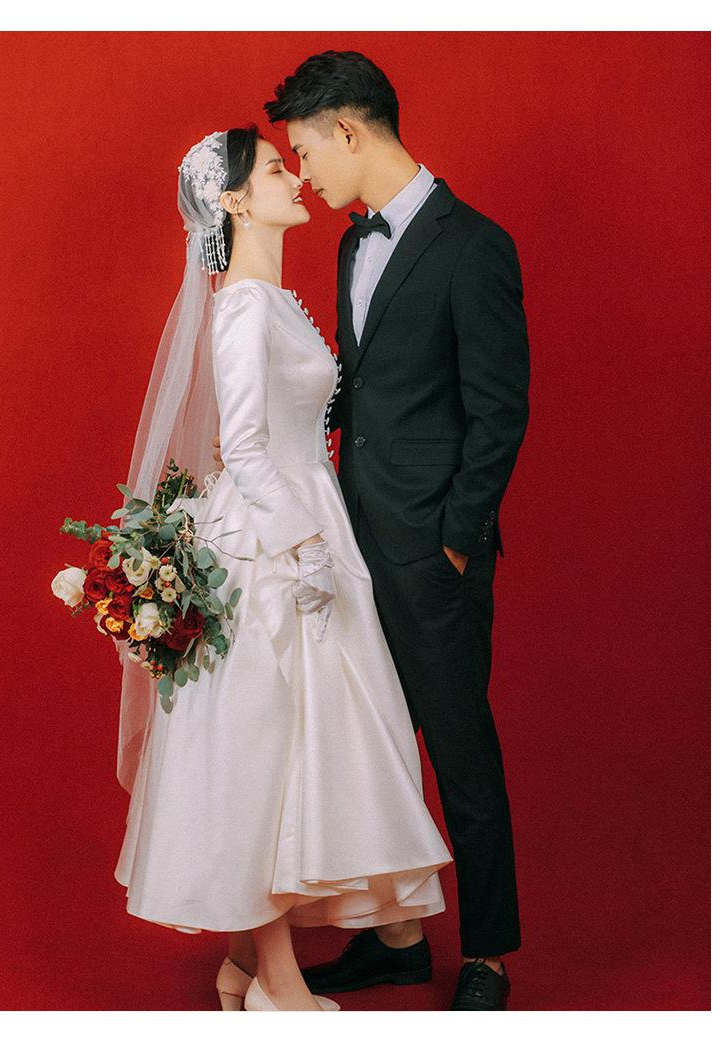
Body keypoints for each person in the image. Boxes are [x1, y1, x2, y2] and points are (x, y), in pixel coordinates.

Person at [113, 125, 453, 1012]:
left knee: (293, 741)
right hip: (276, 539)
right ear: (233, 201)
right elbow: (244, 446)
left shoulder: (271, 298)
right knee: (266, 748)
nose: (295, 176)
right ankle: (279, 981)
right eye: (273, 169)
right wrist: (302, 546)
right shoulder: (242, 309)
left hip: (310, 517)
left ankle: (244, 967)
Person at [221, 50, 531, 1011]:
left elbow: (499, 411)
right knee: (370, 744)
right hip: (344, 546)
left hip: (431, 551)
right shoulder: (352, 246)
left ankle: (487, 955)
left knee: (458, 748)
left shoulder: (475, 246)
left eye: (307, 152)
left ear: (349, 132)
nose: (303, 172)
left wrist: (456, 538)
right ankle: (397, 941)